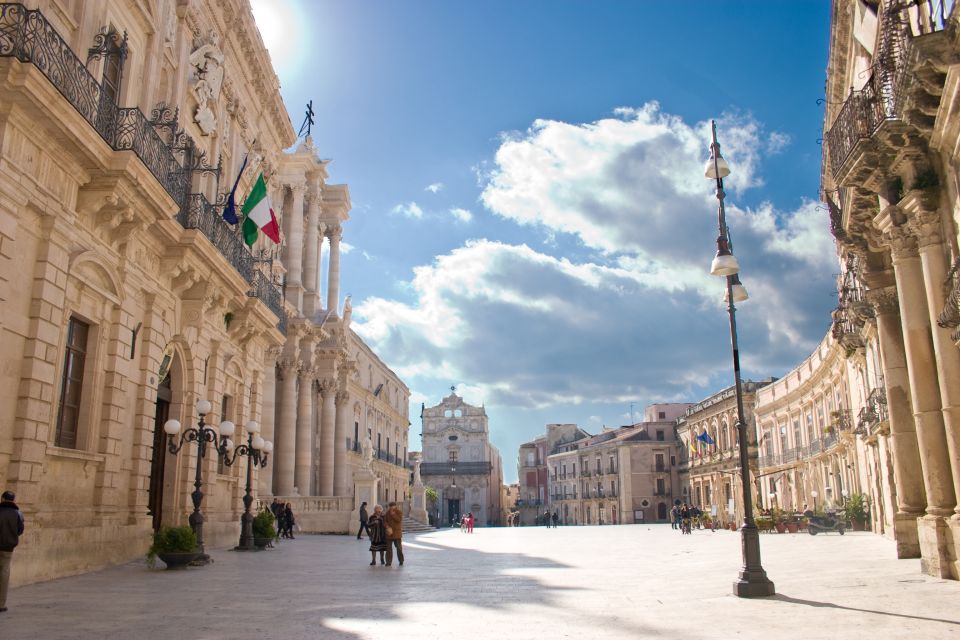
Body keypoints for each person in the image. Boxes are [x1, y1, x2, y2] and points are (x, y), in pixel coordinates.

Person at [0, 490, 24, 613]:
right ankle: (1, 604)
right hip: (8, 548)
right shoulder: (18, 514)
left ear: (2, 499)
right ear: (14, 500)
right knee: (4, 574)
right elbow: (20, 530)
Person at [384, 501, 404, 566]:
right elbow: (384, 521)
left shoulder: (399, 512)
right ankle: (388, 562)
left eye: (392, 506)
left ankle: (401, 560)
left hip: (397, 533)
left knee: (399, 548)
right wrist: (386, 525)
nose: (391, 508)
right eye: (390, 506)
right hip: (389, 533)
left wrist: (393, 514)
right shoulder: (387, 513)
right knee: (388, 549)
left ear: (395, 506)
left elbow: (399, 520)